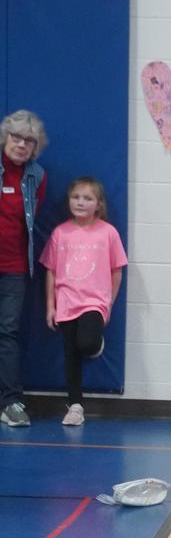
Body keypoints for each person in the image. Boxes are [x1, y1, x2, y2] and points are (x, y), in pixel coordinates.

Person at [40, 177, 127, 426]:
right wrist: (51, 305)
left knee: (86, 344)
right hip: (66, 301)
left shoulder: (107, 233)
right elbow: (51, 270)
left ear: (98, 204)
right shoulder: (60, 233)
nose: (80, 202)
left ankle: (95, 345)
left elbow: (117, 270)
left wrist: (108, 303)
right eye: (76, 197)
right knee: (71, 355)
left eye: (87, 198)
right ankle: (75, 406)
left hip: (94, 302)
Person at [0, 110, 47, 427]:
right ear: (5, 138)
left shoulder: (37, 176)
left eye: (28, 140)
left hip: (15, 268)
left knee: (8, 332)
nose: (21, 144)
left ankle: (10, 402)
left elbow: (31, 221)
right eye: (16, 137)